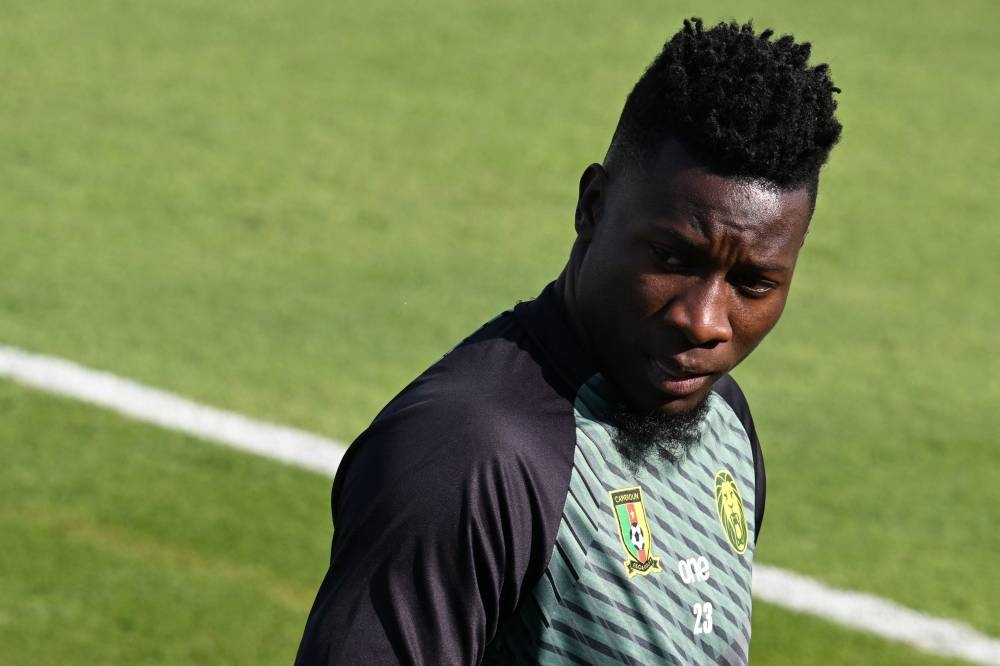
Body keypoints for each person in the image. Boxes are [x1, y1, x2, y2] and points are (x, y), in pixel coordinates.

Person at [296, 17, 841, 665]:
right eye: (671, 257)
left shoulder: (722, 419)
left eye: (753, 284)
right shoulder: (471, 455)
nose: (704, 322)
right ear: (593, 205)